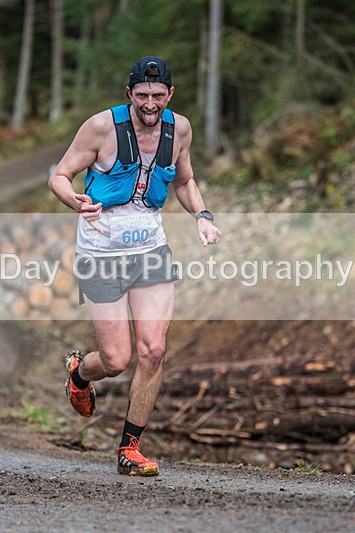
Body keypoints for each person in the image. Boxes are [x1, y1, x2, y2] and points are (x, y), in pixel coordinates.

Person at [48, 56, 222, 476]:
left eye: (158, 95)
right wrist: (75, 201)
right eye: (142, 95)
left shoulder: (179, 130)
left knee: (154, 350)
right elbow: (59, 175)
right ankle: (79, 374)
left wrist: (202, 216)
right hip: (101, 253)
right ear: (129, 93)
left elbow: (184, 180)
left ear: (170, 94)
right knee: (115, 360)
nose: (149, 103)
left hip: (150, 251)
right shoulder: (100, 127)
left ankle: (130, 448)